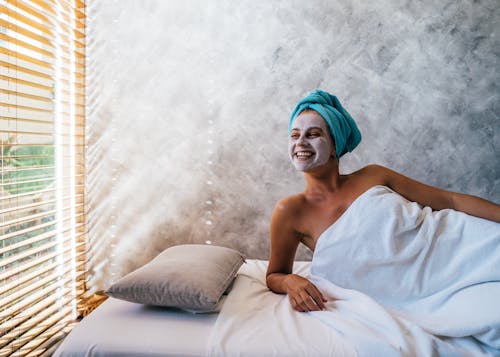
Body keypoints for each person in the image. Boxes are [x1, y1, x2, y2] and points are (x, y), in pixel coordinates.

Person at [266, 89, 500, 313]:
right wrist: (290, 282)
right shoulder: (290, 211)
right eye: (294, 135)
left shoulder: (374, 175)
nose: (300, 142)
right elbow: (274, 274)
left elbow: (450, 200)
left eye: (313, 134)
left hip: (459, 244)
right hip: (417, 291)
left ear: (334, 146)